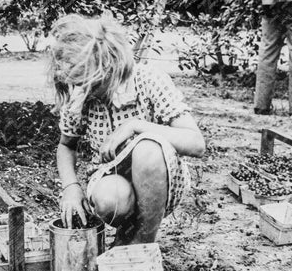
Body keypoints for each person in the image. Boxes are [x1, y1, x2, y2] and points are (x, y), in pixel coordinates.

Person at [47, 14, 205, 245]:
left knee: (147, 147)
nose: (86, 91)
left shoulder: (148, 80)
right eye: (79, 84)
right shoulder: (80, 96)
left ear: (111, 68)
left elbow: (196, 144)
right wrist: (71, 187)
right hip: (110, 180)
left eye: (93, 84)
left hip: (162, 183)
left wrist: (135, 126)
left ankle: (143, 242)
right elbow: (66, 145)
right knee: (112, 199)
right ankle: (126, 233)